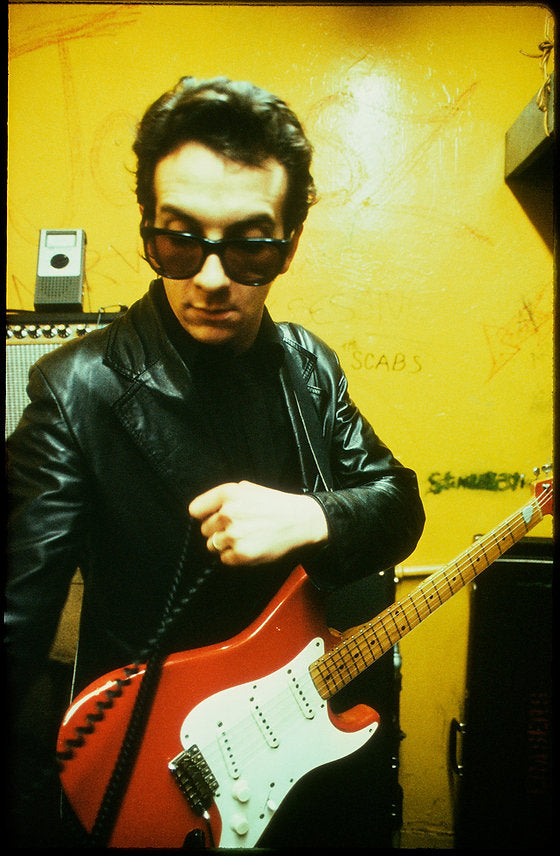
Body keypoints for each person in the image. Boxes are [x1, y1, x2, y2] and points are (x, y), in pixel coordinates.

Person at [6, 76, 425, 847]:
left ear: (289, 244)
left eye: (250, 244)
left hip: (297, 753)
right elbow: (13, 628)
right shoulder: (76, 389)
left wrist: (313, 515)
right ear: (149, 231)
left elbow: (399, 503)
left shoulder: (307, 365)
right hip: (159, 769)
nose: (209, 277)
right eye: (179, 239)